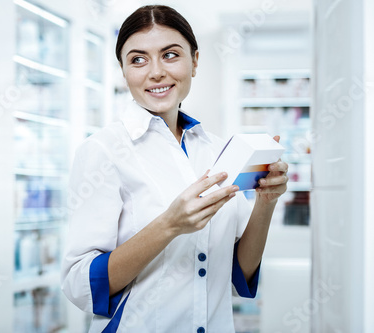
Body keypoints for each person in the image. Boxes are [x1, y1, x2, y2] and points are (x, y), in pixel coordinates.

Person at [61, 5, 288, 333]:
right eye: (138, 59)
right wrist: (168, 225)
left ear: (194, 62)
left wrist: (267, 201)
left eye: (170, 55)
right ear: (123, 71)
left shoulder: (216, 149)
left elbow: (239, 270)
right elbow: (79, 283)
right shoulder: (103, 151)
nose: (155, 72)